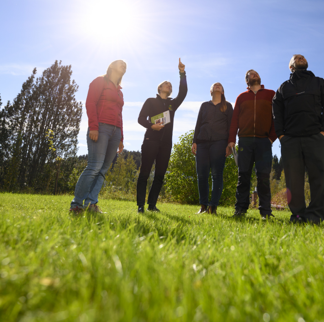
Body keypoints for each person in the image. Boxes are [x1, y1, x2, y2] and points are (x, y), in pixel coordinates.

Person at [272, 54, 324, 224]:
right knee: (294, 181)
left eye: (302, 57)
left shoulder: (320, 83)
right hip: (290, 140)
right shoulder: (283, 88)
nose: (300, 57)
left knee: (319, 178)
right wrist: (282, 136)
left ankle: (315, 216)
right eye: (295, 58)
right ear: (290, 67)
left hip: (315, 138)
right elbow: (276, 114)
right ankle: (298, 216)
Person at [69, 60, 126, 214]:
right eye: (121, 63)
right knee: (94, 166)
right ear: (111, 67)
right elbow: (90, 103)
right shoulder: (100, 81)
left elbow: (120, 115)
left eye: (125, 65)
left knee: (103, 169)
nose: (124, 65)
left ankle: (91, 204)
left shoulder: (120, 91)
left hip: (116, 132)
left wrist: (121, 138)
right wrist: (94, 127)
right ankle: (76, 204)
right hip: (101, 128)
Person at [136, 59, 187, 213]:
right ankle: (140, 205)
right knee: (144, 172)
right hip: (151, 140)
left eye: (170, 85)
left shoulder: (172, 104)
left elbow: (183, 92)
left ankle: (152, 205)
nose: (169, 86)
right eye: (166, 84)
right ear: (159, 88)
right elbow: (140, 119)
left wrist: (182, 73)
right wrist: (152, 126)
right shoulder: (150, 101)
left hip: (166, 144)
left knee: (160, 175)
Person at [227, 69, 277, 219]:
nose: (255, 75)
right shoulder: (241, 97)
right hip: (245, 140)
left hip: (264, 141)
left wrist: (271, 138)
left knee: (263, 176)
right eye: (251, 74)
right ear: (247, 81)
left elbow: (277, 117)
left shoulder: (271, 94)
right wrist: (231, 140)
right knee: (243, 176)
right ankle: (240, 210)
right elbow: (235, 119)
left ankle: (265, 212)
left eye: (256, 73)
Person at [192, 82, 233, 215]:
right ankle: (203, 206)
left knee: (217, 175)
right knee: (202, 175)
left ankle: (212, 207)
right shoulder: (204, 105)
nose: (217, 85)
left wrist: (230, 143)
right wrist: (195, 141)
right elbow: (198, 123)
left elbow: (231, 126)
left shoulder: (227, 106)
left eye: (220, 85)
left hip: (219, 143)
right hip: (202, 143)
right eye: (214, 85)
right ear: (211, 91)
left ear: (222, 91)